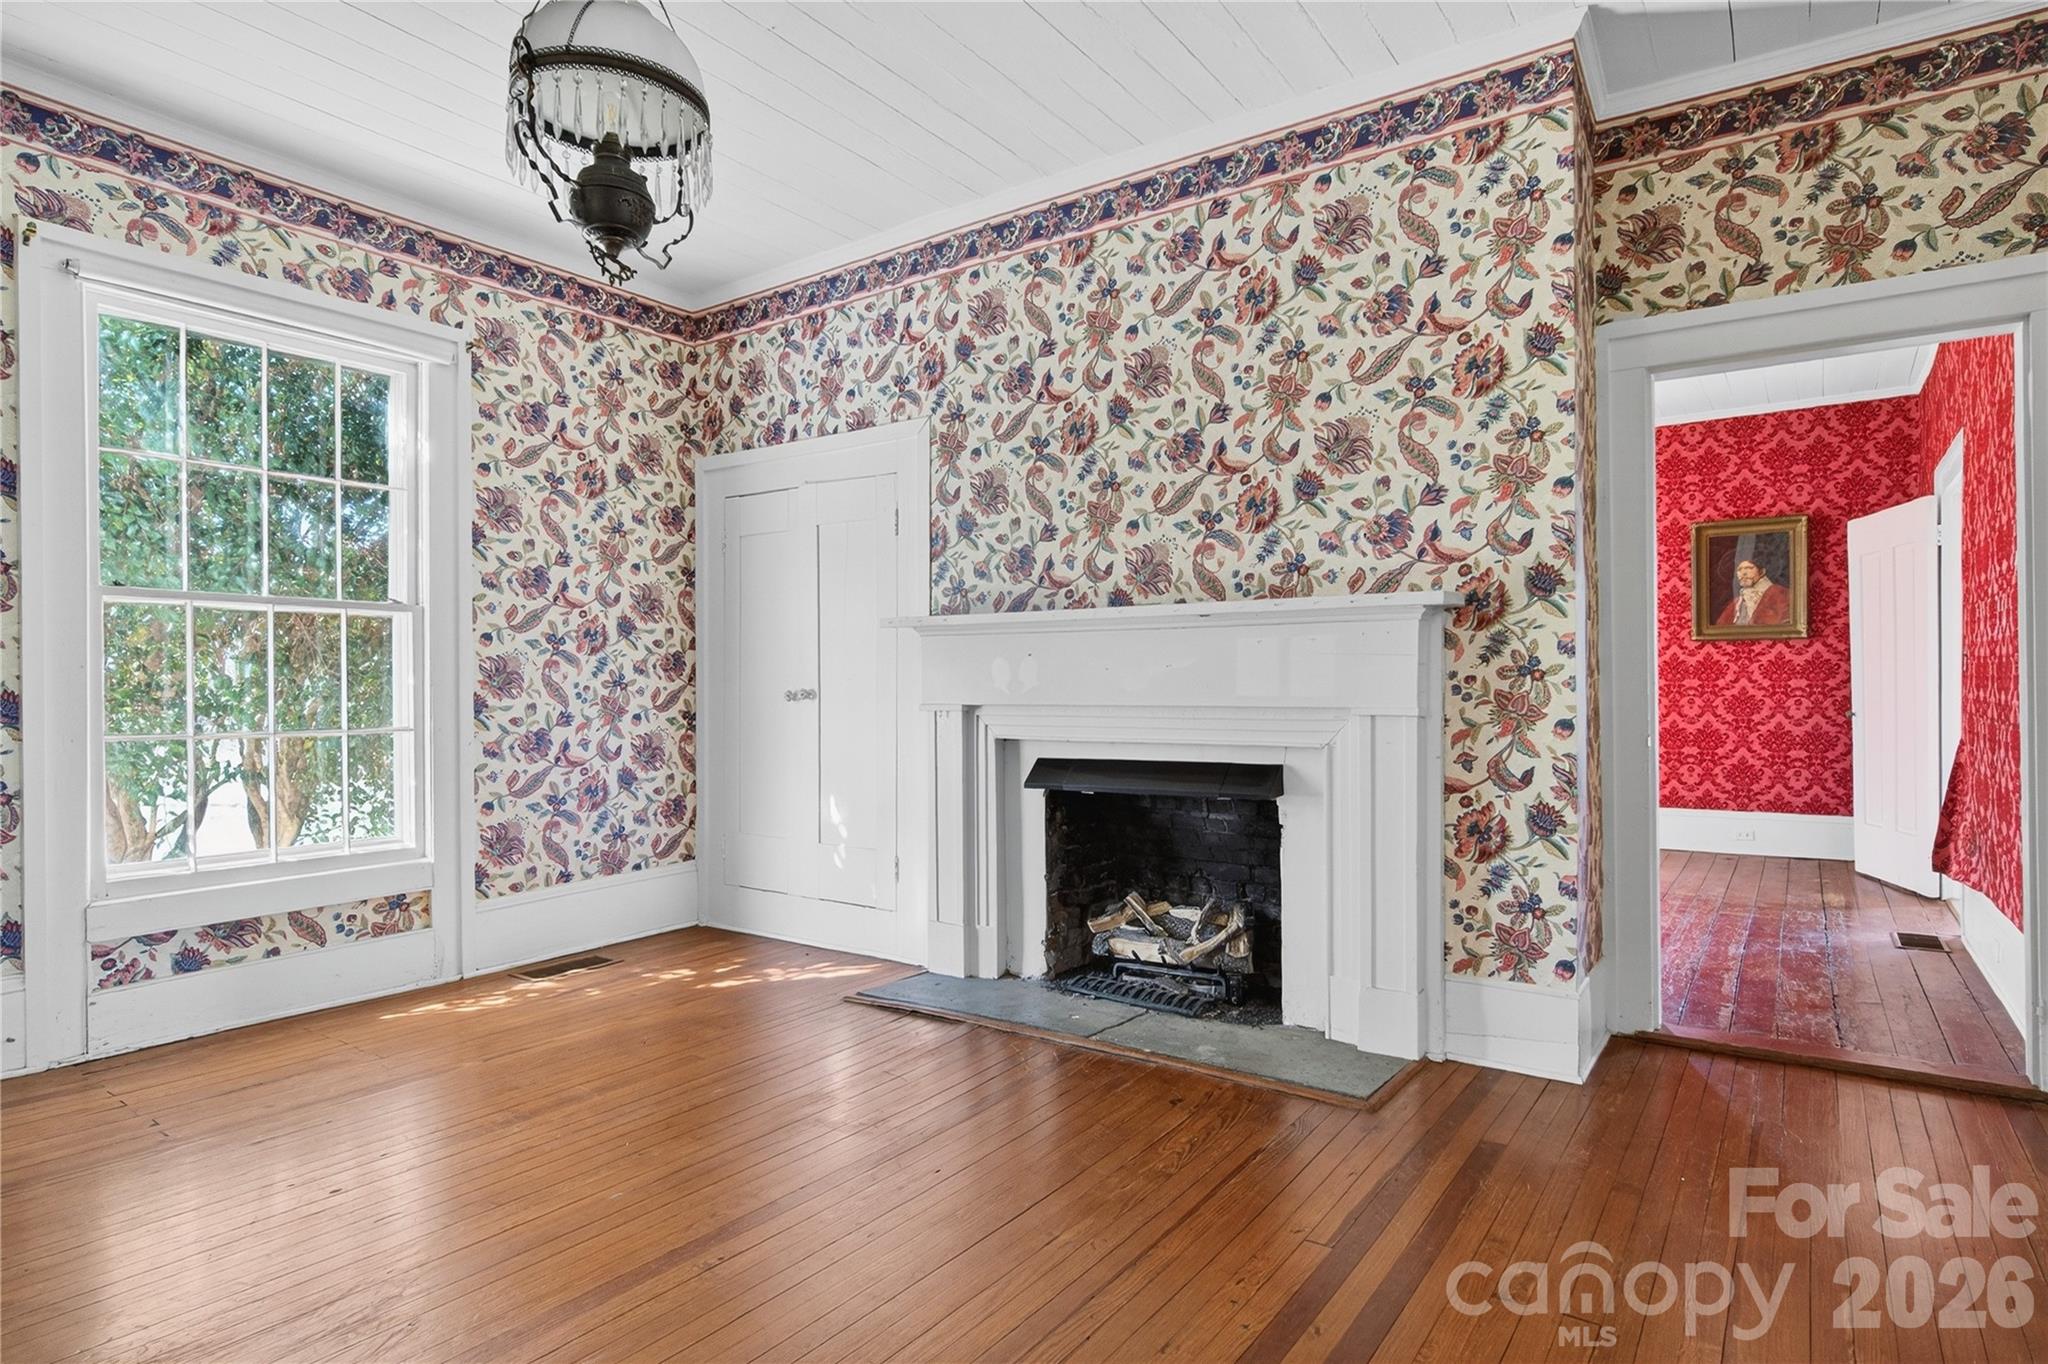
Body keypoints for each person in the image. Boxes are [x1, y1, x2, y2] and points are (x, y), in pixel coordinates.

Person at [1716, 557, 1790, 626]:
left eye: (1749, 568)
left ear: (1762, 572)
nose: (1743, 573)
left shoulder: (1779, 593)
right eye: (1739, 569)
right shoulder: (1737, 603)